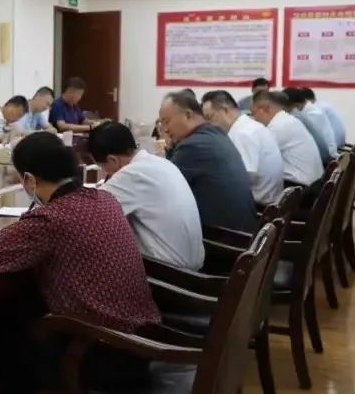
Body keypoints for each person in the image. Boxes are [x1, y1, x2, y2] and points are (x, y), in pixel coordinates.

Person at [0, 132, 160, 394]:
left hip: (100, 355)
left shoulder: (52, 218)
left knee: (1, 311)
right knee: (24, 296)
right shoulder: (105, 199)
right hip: (140, 342)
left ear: (29, 179)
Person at [88, 122, 204, 270]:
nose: (105, 172)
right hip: (194, 266)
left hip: (169, 272)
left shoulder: (131, 174)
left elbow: (89, 216)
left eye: (102, 166)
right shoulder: (161, 163)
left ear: (113, 160)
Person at [158, 91, 258, 233]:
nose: (165, 130)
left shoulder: (192, 146)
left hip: (224, 239)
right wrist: (171, 146)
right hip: (245, 231)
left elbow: (164, 189)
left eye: (166, 122)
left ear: (188, 115)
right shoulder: (216, 133)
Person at [201, 90, 284, 206]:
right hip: (267, 197)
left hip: (259, 204)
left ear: (225, 110)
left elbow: (244, 177)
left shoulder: (242, 133)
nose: (208, 124)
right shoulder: (247, 125)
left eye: (209, 117)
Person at [251, 91, 324, 188]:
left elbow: (256, 157)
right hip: (312, 183)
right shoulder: (287, 120)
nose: (254, 119)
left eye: (254, 113)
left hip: (300, 187)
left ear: (266, 108)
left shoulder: (278, 126)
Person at [286, 87, 338, 161]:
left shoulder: (313, 114)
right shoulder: (308, 111)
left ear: (295, 105)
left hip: (327, 158)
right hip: (322, 154)